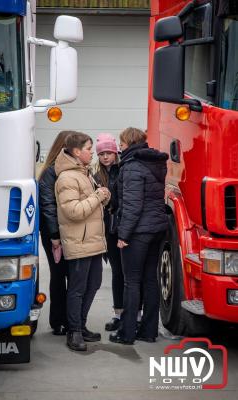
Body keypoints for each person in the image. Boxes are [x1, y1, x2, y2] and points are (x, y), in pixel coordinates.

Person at [109, 127, 168, 345]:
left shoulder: (132, 166)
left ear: (129, 142)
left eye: (121, 142)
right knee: (150, 280)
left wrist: (123, 235)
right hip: (156, 230)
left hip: (138, 232)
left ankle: (127, 333)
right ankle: (148, 331)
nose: (120, 146)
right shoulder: (154, 162)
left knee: (131, 281)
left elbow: (133, 206)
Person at [55, 132, 111, 351]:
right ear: (77, 152)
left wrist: (102, 197)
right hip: (79, 242)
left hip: (93, 241)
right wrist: (96, 197)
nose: (92, 152)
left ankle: (81, 324)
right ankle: (74, 331)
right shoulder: (67, 178)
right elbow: (73, 211)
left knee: (94, 283)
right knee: (78, 288)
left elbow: (89, 206)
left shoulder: (84, 173)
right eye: (89, 148)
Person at [38, 131, 72, 336]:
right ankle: (58, 321)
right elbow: (48, 206)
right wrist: (54, 235)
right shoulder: (51, 172)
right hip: (54, 233)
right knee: (59, 275)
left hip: (63, 231)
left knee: (66, 275)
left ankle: (65, 319)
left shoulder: (64, 170)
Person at [94, 133, 123, 331]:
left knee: (126, 273)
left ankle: (133, 314)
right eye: (102, 153)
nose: (105, 157)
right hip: (107, 231)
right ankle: (118, 314)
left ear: (116, 153)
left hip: (122, 229)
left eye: (109, 153)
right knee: (116, 273)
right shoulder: (96, 176)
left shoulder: (123, 171)